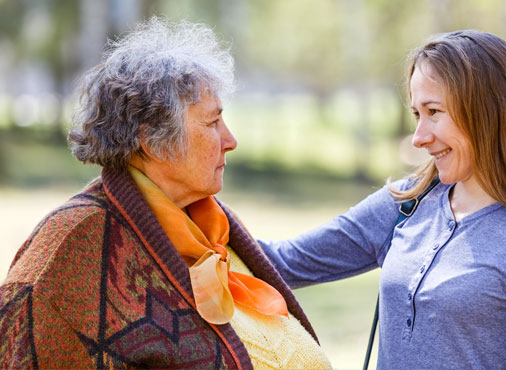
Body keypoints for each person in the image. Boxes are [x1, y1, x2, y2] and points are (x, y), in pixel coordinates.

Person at [0, 18, 331, 369]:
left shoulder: (210, 226)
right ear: (153, 141)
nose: (230, 141)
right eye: (211, 122)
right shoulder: (72, 243)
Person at [259, 30, 506, 369]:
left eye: (434, 111)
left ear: (489, 112)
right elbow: (281, 263)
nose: (420, 137)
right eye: (417, 114)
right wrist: (204, 201)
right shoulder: (406, 204)